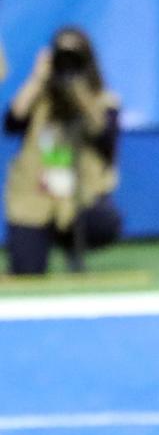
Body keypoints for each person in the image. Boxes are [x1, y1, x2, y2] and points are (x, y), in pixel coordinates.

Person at [4, 29, 122, 275]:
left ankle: (72, 246)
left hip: (79, 199)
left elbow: (106, 139)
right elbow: (12, 122)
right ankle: (38, 242)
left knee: (105, 223)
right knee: (27, 270)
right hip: (36, 198)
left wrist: (80, 91)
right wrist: (38, 78)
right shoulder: (40, 98)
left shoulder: (101, 100)